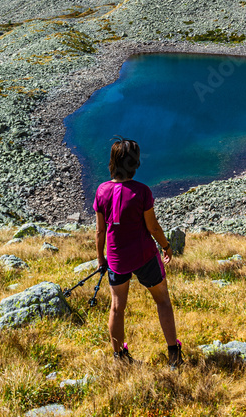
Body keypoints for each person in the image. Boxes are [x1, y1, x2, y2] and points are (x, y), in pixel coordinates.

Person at [94, 137, 182, 369]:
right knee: (162, 300)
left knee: (116, 307)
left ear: (113, 162)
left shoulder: (102, 191)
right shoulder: (142, 191)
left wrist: (101, 258)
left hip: (116, 260)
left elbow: (100, 231)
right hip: (144, 257)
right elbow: (152, 227)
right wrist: (166, 246)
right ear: (135, 164)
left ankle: (119, 357)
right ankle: (174, 355)